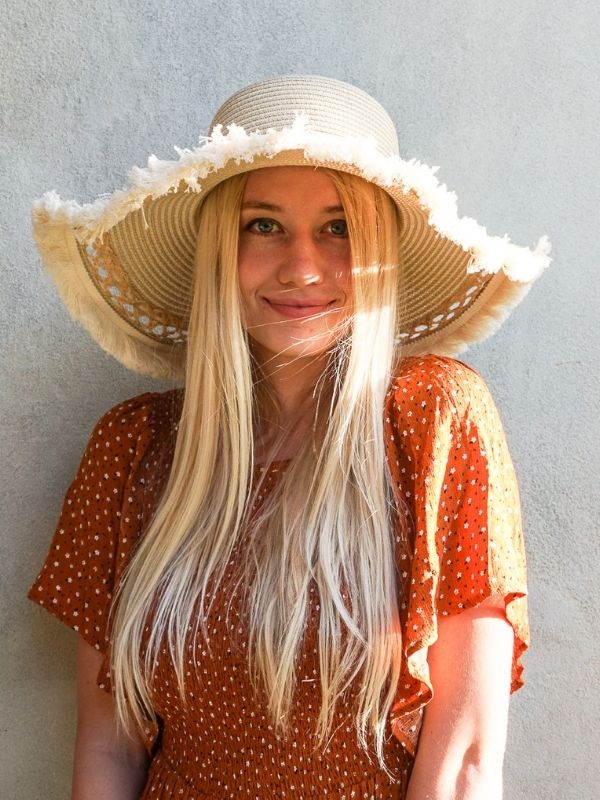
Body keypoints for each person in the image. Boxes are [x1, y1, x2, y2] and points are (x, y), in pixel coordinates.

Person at [28, 75, 551, 799]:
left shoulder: (435, 420)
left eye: (339, 228)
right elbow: (107, 749)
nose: (303, 268)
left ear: (380, 251)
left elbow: (464, 761)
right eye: (263, 225)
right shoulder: (133, 449)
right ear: (220, 246)